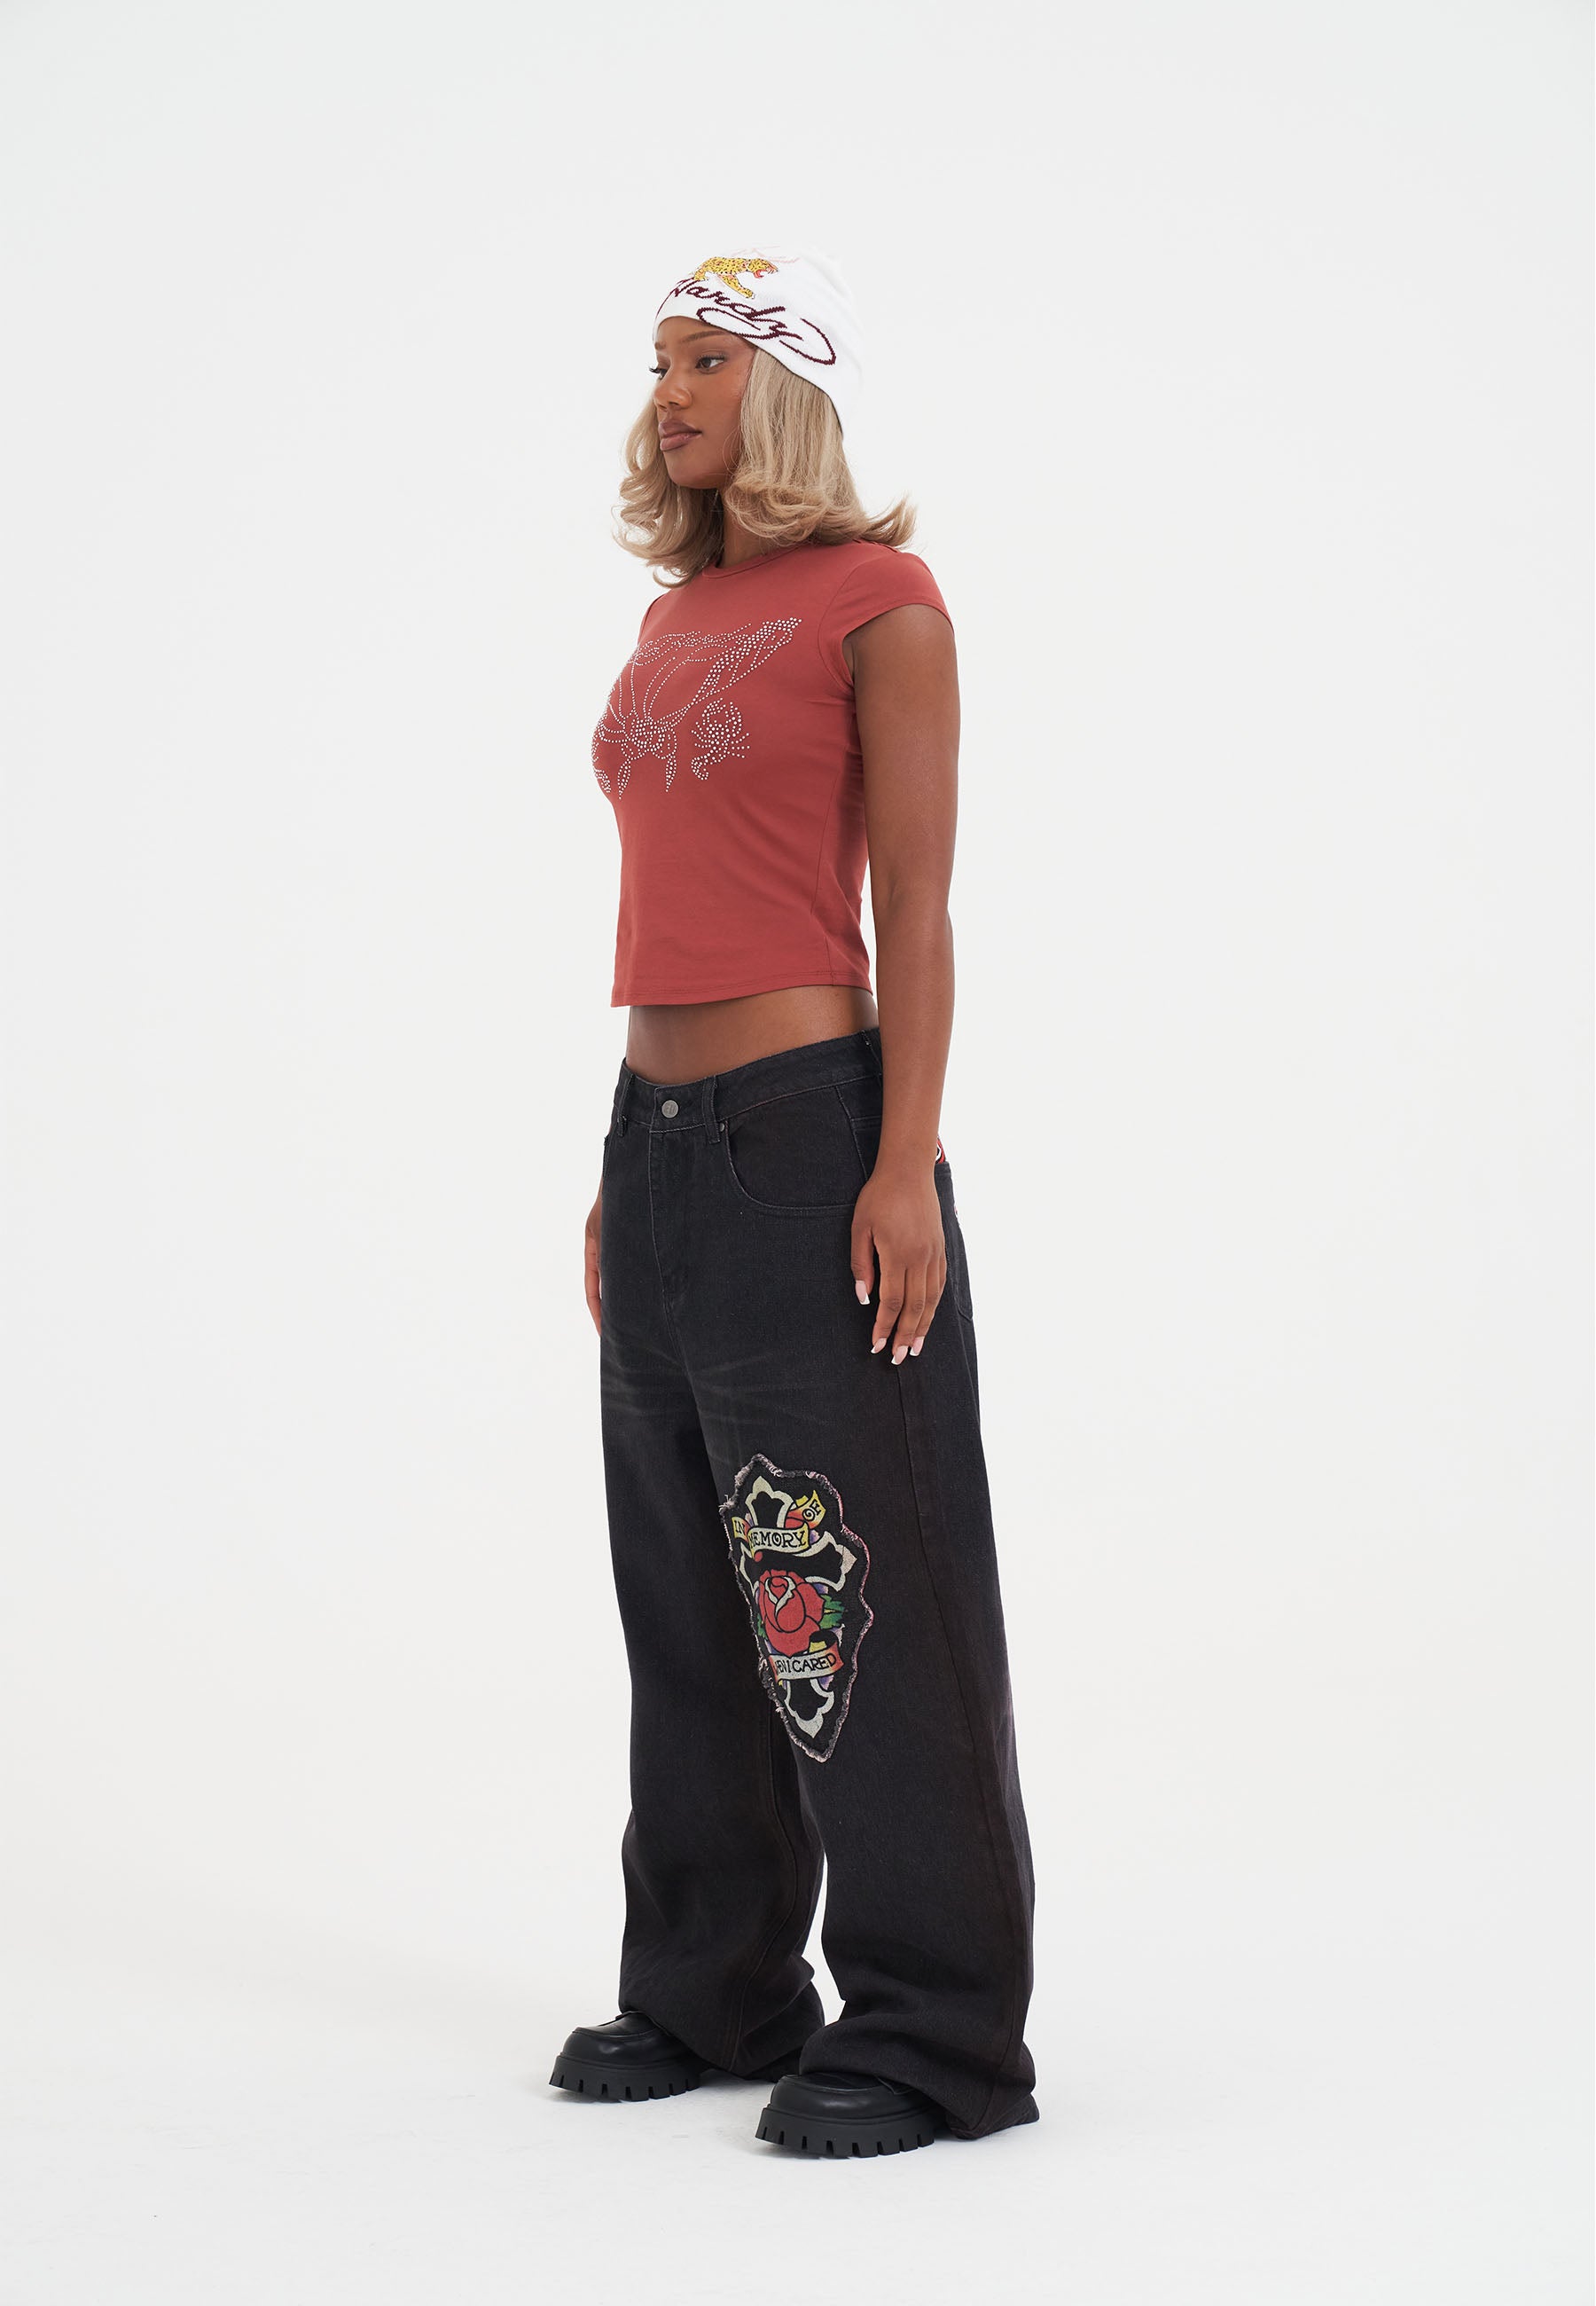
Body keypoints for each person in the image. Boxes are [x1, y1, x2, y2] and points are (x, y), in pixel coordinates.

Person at [548, 246, 1037, 2159]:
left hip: (808, 1128)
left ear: (787, 394)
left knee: (846, 1579)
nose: (667, 393)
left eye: (705, 363)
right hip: (660, 1136)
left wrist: (904, 1155)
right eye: (657, 362)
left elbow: (916, 902)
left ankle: (935, 2032)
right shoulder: (674, 615)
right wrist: (625, 1167)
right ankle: (716, 1987)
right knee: (686, 1585)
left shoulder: (881, 603)